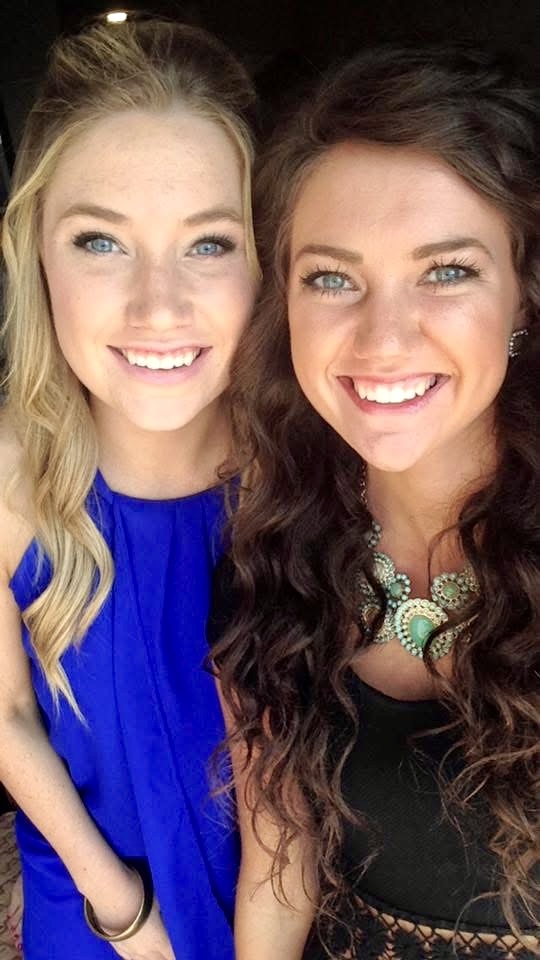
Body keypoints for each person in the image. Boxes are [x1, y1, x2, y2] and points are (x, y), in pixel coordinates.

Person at [210, 47, 540, 959]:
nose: (383, 339)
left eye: (447, 271)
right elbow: (279, 874)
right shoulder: (272, 547)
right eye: (331, 278)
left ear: (524, 295)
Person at [0, 17, 257, 959]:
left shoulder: (316, 469)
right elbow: (6, 717)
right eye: (101, 241)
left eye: (209, 244)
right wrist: (125, 914)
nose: (158, 307)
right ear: (36, 250)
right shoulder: (8, 471)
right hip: (96, 909)